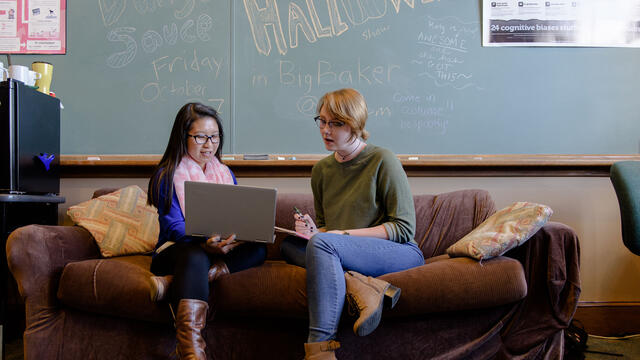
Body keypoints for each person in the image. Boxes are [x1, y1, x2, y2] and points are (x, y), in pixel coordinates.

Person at [280, 88, 425, 359]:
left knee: (321, 246)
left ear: (355, 125)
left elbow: (404, 229)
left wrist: (338, 235)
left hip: (399, 252)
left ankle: (320, 348)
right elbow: (325, 226)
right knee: (289, 246)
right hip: (340, 250)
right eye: (322, 121)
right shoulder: (321, 171)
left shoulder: (383, 159)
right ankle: (362, 286)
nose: (326, 130)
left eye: (336, 123)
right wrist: (315, 232)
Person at [147, 102, 266, 360]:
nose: (208, 144)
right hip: (177, 251)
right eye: (200, 137)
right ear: (183, 137)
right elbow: (174, 227)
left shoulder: (224, 172)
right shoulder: (167, 174)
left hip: (214, 249)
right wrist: (205, 242)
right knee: (195, 255)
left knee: (259, 248)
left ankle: (176, 283)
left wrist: (236, 236)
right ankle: (191, 350)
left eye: (214, 137)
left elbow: (235, 216)